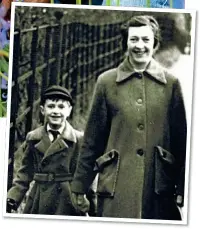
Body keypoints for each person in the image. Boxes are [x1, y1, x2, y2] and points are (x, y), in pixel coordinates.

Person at [71, 15, 187, 220]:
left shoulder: (171, 85)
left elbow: (182, 142)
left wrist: (182, 187)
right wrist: (80, 186)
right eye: (134, 39)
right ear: (125, 42)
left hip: (159, 190)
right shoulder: (106, 82)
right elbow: (92, 140)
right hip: (116, 188)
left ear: (155, 43)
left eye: (145, 39)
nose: (139, 46)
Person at [7, 85, 96, 215]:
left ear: (69, 110)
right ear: (42, 110)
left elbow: (85, 176)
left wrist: (94, 207)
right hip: (39, 199)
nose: (56, 111)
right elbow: (25, 173)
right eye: (51, 106)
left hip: (67, 201)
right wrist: (12, 198)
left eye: (61, 107)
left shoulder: (79, 139)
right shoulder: (33, 138)